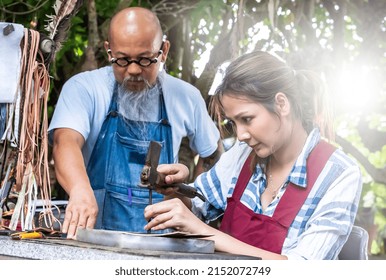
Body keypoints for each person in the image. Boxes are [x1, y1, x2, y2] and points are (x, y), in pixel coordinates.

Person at [143, 51, 363, 260]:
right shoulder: (243, 155)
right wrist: (175, 191)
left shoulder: (339, 174)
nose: (240, 135)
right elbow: (200, 206)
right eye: (233, 123)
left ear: (281, 104)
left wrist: (205, 232)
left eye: (247, 119)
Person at [48, 7, 222, 238]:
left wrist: (193, 208)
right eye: (121, 60)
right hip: (94, 237)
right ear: (108, 50)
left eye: (145, 59)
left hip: (164, 243)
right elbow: (65, 143)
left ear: (164, 51)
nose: (133, 70)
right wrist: (80, 190)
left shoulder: (185, 96)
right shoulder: (84, 88)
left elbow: (212, 153)